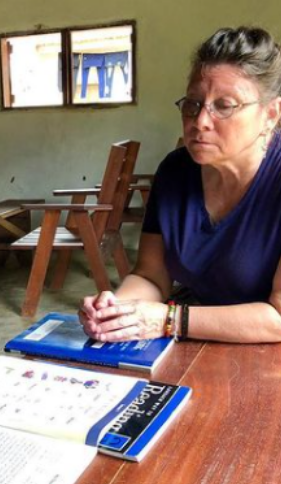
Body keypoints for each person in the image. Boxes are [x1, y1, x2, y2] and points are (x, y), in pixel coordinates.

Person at [80, 26, 281, 344]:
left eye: (224, 105)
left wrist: (169, 319)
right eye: (193, 103)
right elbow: (150, 274)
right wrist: (119, 311)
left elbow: (278, 319)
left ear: (271, 114)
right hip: (196, 335)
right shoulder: (175, 170)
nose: (200, 120)